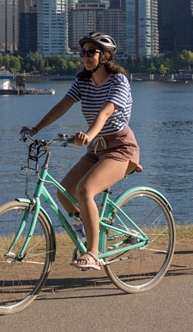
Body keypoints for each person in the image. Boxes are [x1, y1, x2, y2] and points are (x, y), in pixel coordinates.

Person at [20, 32, 142, 270]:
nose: (86, 57)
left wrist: (89, 134)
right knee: (65, 193)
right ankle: (89, 227)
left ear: (104, 56)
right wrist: (35, 129)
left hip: (120, 149)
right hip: (97, 149)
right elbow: (62, 106)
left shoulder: (118, 81)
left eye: (91, 52)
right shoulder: (83, 81)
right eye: (83, 52)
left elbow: (106, 112)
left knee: (85, 189)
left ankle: (94, 253)